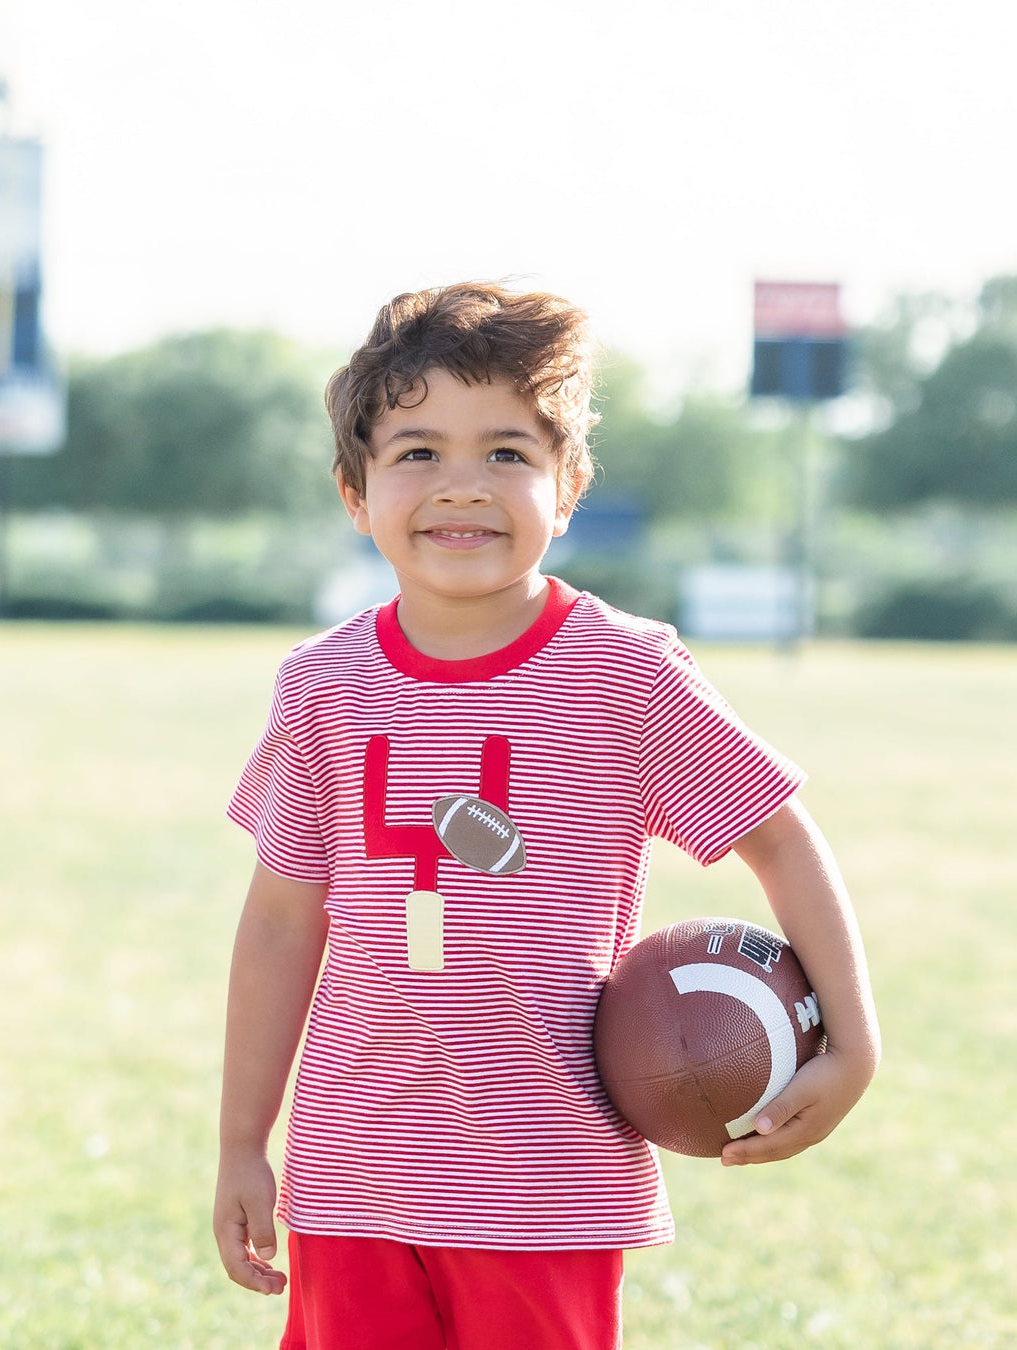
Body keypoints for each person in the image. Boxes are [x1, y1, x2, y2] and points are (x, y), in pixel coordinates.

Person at [213, 282, 881, 1350]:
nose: (462, 487)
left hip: (543, 1177)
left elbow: (779, 836)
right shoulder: (321, 686)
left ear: (567, 486)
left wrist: (854, 1045)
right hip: (351, 1167)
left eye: (508, 454)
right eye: (419, 452)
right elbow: (283, 921)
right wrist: (244, 1140)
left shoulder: (627, 673)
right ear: (356, 490)